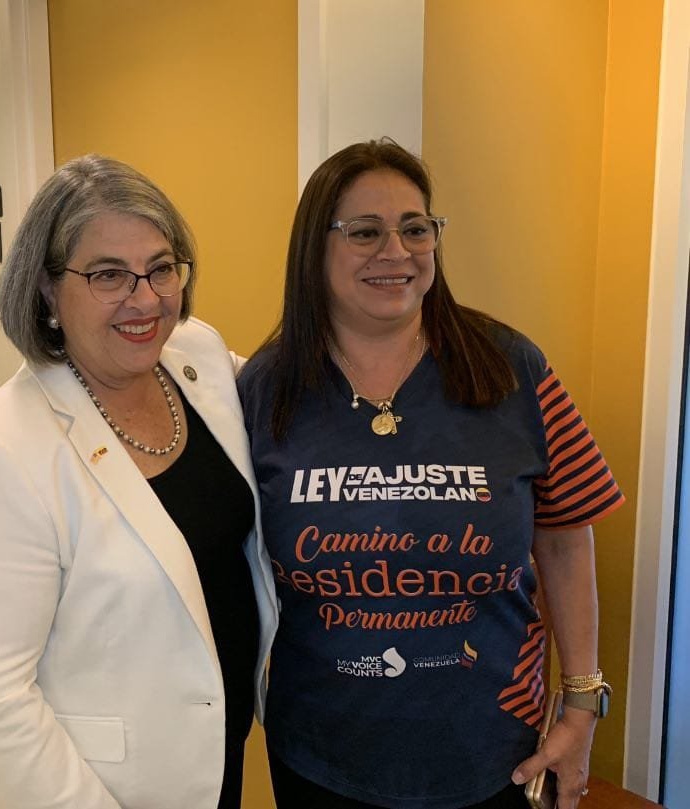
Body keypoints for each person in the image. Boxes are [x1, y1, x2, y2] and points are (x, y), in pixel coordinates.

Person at [238, 139, 623, 809]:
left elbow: (565, 536)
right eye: (365, 232)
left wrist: (582, 704)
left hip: (494, 751)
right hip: (321, 754)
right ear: (314, 248)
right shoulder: (265, 390)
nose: (397, 251)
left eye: (416, 229)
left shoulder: (511, 367)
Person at [0, 154, 277, 809]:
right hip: (101, 786)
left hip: (214, 755)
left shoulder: (198, 358)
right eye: (108, 274)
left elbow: (300, 396)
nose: (145, 299)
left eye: (161, 267)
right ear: (46, 289)